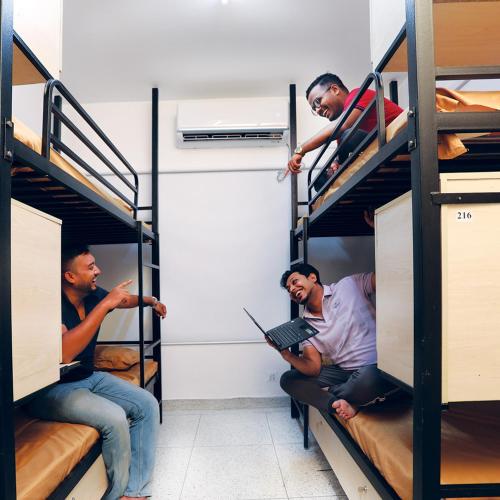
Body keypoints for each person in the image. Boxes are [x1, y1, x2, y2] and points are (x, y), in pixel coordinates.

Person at [26, 244, 167, 500]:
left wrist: (151, 301)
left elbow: (124, 299)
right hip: (52, 389)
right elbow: (65, 353)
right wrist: (104, 306)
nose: (98, 271)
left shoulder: (91, 295)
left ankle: (133, 493)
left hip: (89, 377)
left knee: (146, 403)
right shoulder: (49, 303)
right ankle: (115, 494)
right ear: (70, 276)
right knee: (115, 418)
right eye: (90, 267)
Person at [271, 263, 396, 420]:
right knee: (288, 380)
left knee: (371, 378)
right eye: (289, 290)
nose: (292, 290)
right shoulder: (305, 325)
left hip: (374, 367)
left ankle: (336, 394)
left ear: (312, 277)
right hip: (344, 372)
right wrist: (286, 355)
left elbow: (388, 279)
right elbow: (313, 368)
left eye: (295, 282)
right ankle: (335, 404)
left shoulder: (348, 285)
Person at [288, 73, 403, 190]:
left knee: (348, 136)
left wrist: (301, 150)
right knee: (320, 180)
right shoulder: (341, 133)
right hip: (379, 152)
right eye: (314, 108)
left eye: (317, 102)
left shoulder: (359, 94)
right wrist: (336, 163)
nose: (317, 110)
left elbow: (342, 126)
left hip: (402, 140)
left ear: (335, 89)